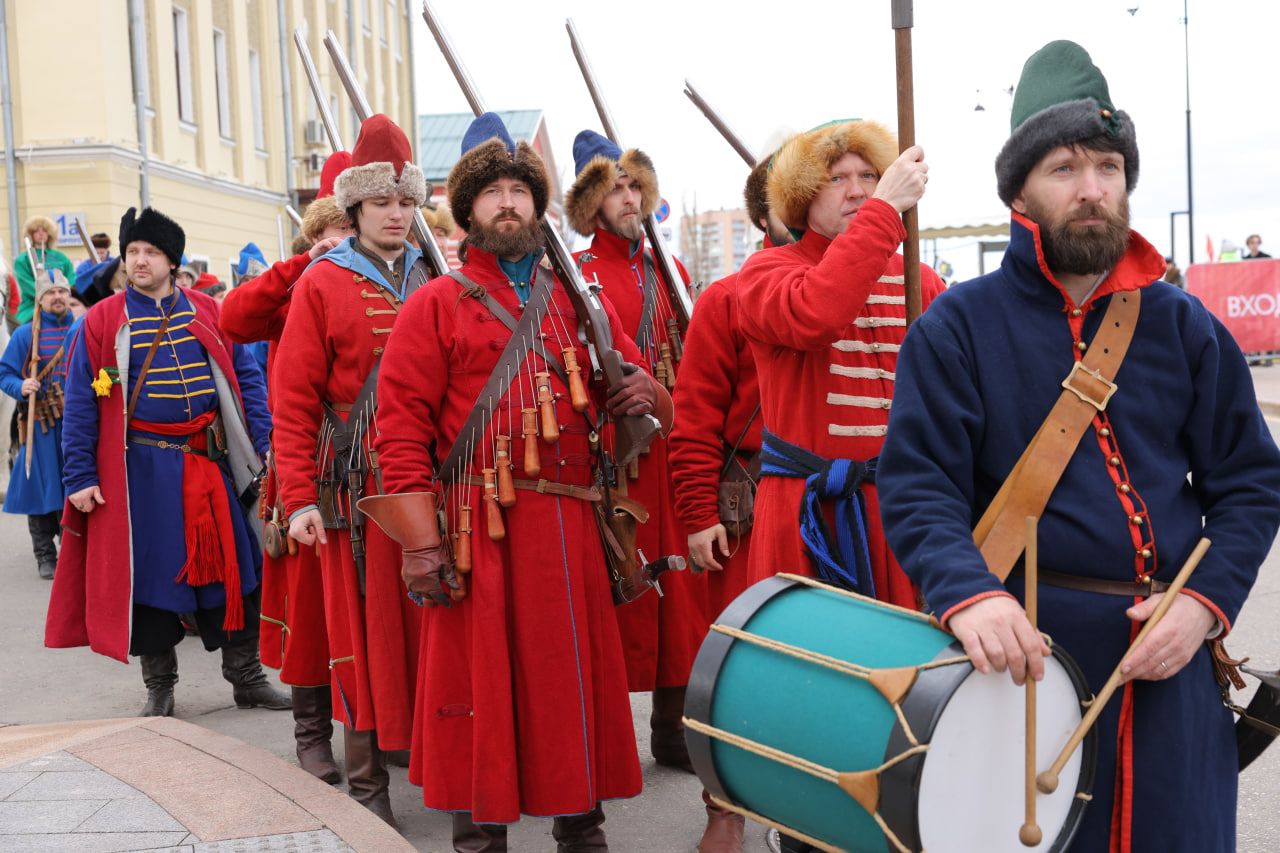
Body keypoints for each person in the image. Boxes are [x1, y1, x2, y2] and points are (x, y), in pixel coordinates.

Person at [877, 41, 1280, 852]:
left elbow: (1251, 484)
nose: (1092, 189)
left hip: (1173, 672)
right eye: (1064, 168)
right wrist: (971, 593)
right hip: (1024, 674)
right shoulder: (955, 328)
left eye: (1108, 166)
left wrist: (1205, 604)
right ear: (1020, 189)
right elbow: (921, 488)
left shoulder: (1184, 325)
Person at [370, 111, 667, 851]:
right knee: (478, 693)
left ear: (538, 207)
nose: (508, 203)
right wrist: (420, 545)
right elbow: (399, 431)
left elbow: (644, 392)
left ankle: (582, 830)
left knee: (571, 690)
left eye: (520, 192)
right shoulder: (433, 305)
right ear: (468, 211)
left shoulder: (576, 300)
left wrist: (642, 397)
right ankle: (479, 841)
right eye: (492, 192)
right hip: (479, 533)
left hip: (569, 531)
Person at [45, 205, 291, 720]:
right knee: (150, 583)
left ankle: (246, 677)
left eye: (150, 252)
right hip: (142, 476)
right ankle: (160, 687)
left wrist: (264, 441)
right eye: (133, 252)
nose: (138, 261)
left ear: (171, 261)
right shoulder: (102, 321)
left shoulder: (208, 310)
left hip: (209, 464)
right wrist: (80, 477)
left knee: (235, 571)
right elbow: (83, 405)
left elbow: (245, 378)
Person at [274, 115, 425, 825]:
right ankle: (368, 791)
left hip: (428, 487)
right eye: (381, 202)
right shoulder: (321, 282)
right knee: (362, 640)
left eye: (405, 201)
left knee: (435, 634)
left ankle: (445, 774)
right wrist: (299, 496)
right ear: (355, 208)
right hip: (351, 492)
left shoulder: (439, 275)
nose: (396, 214)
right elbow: (294, 398)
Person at [733, 119, 939, 611]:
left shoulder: (921, 280)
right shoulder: (765, 273)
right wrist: (885, 211)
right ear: (804, 194)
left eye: (870, 176)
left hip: (899, 509)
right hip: (805, 514)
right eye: (837, 178)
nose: (858, 191)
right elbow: (817, 313)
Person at [566, 129, 705, 773]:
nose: (627, 198)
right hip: (618, 452)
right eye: (613, 188)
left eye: (632, 186)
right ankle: (602, 734)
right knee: (621, 590)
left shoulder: (669, 270)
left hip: (671, 442)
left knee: (678, 593)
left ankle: (672, 731)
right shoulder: (577, 274)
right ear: (592, 204)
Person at [667, 156, 792, 853]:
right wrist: (697, 512)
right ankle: (725, 805)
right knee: (736, 670)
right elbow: (694, 419)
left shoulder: (871, 289)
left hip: (839, 509)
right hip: (747, 507)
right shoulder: (725, 300)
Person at [220, 151, 355, 786]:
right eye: (329, 234)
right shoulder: (300, 281)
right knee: (312, 613)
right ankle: (312, 734)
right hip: (308, 465)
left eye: (346, 234)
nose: (341, 244)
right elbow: (234, 317)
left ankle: (377, 732)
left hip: (376, 467)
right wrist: (307, 262)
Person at [0, 269, 76, 579]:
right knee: (41, 490)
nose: (57, 297)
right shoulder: (24, 335)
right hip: (41, 426)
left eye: (62, 291)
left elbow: (108, 368)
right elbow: (5, 375)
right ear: (41, 299)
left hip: (78, 426)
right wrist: (22, 387)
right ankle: (45, 554)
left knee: (76, 489)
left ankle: (73, 553)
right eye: (50, 293)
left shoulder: (85, 327)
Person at [13, 215, 76, 326]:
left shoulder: (61, 257)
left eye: (44, 230)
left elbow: (71, 279)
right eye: (36, 231)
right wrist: (47, 297)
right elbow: (27, 285)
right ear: (31, 235)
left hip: (61, 303)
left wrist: (62, 295)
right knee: (22, 331)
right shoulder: (23, 260)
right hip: (32, 307)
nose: (41, 233)